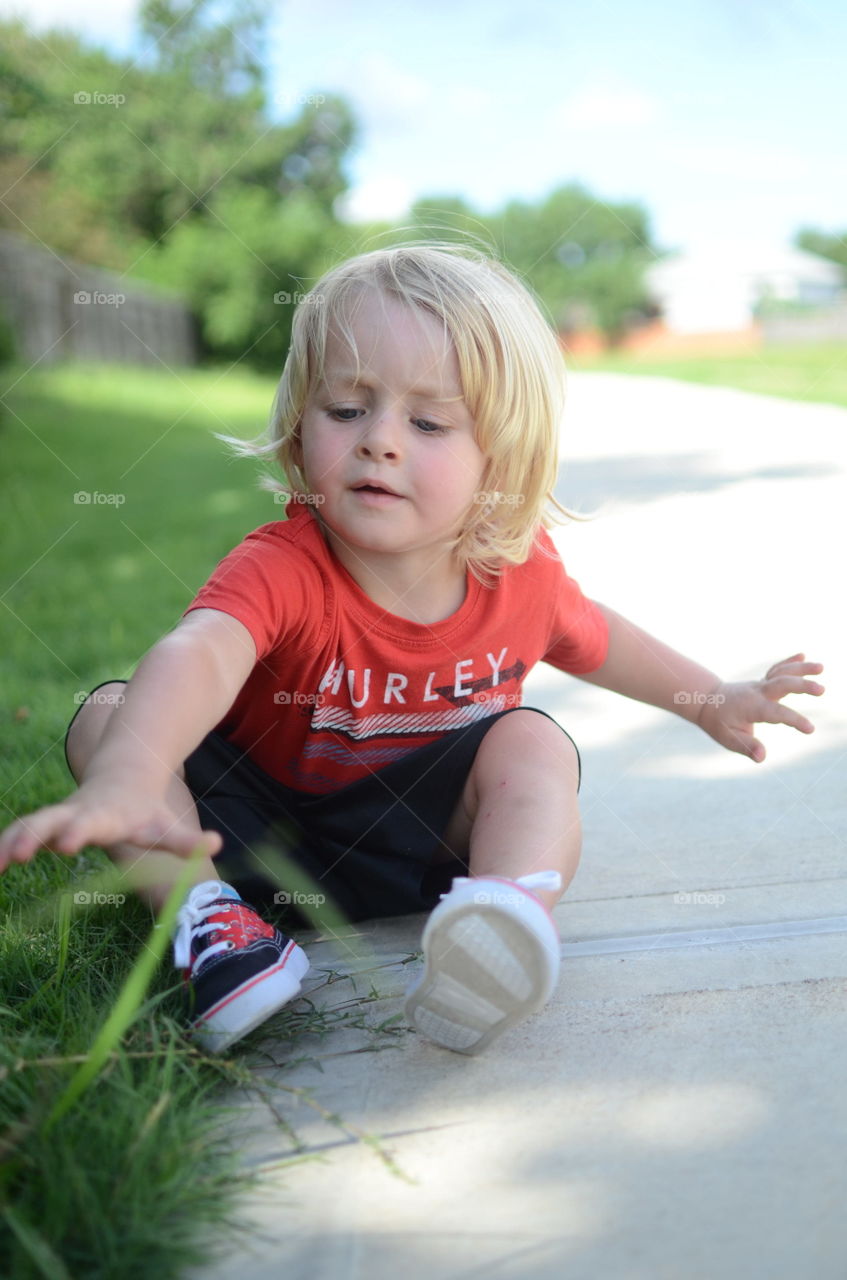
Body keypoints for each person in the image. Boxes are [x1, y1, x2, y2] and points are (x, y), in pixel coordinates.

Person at [0, 244, 824, 1057]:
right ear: (297, 427)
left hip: (420, 846)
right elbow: (201, 652)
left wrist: (711, 699)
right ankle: (217, 933)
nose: (380, 441)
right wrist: (132, 779)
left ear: (499, 460)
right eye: (346, 409)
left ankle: (500, 920)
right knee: (110, 715)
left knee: (532, 743)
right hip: (247, 836)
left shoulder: (519, 577)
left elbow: (601, 641)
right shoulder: (285, 564)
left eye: (428, 421)